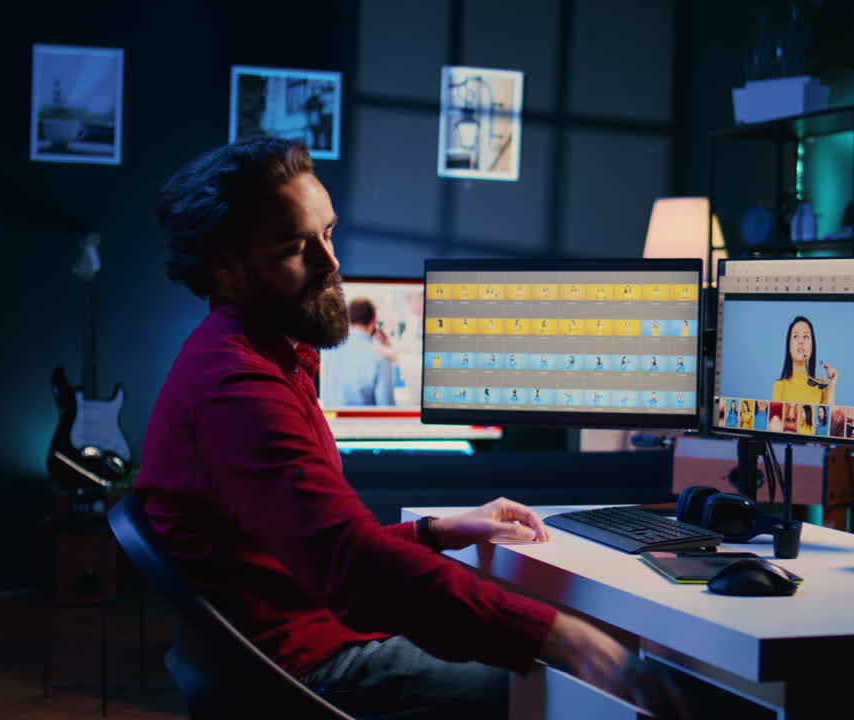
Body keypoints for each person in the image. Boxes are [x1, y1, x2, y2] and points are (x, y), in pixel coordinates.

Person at [139, 137, 642, 719]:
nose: (330, 263)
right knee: (563, 692)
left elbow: (316, 549)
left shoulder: (256, 357)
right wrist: (556, 636)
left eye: (328, 233)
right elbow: (352, 568)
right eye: (294, 248)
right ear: (225, 268)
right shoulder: (239, 391)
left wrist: (437, 529)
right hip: (305, 671)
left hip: (301, 641)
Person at [321, 297, 396, 406]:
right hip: (364, 422)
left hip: (331, 421)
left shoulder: (330, 350)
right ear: (374, 319)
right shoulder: (381, 356)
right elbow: (387, 407)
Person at [771, 316, 838, 407]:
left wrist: (832, 386)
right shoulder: (780, 386)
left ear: (812, 346)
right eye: (795, 336)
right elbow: (776, 420)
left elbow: (829, 419)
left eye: (806, 337)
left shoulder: (822, 387)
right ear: (789, 346)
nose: (801, 341)